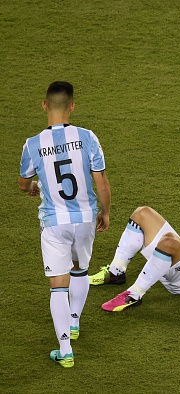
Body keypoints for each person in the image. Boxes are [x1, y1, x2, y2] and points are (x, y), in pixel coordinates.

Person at [18, 81, 111, 368]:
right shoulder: (88, 137)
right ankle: (74, 322)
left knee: (58, 286)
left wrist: (34, 186)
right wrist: (105, 213)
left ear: (44, 105)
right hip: (84, 219)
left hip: (54, 223)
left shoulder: (32, 144)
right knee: (80, 269)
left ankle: (65, 350)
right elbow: (102, 183)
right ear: (72, 106)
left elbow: (23, 184)